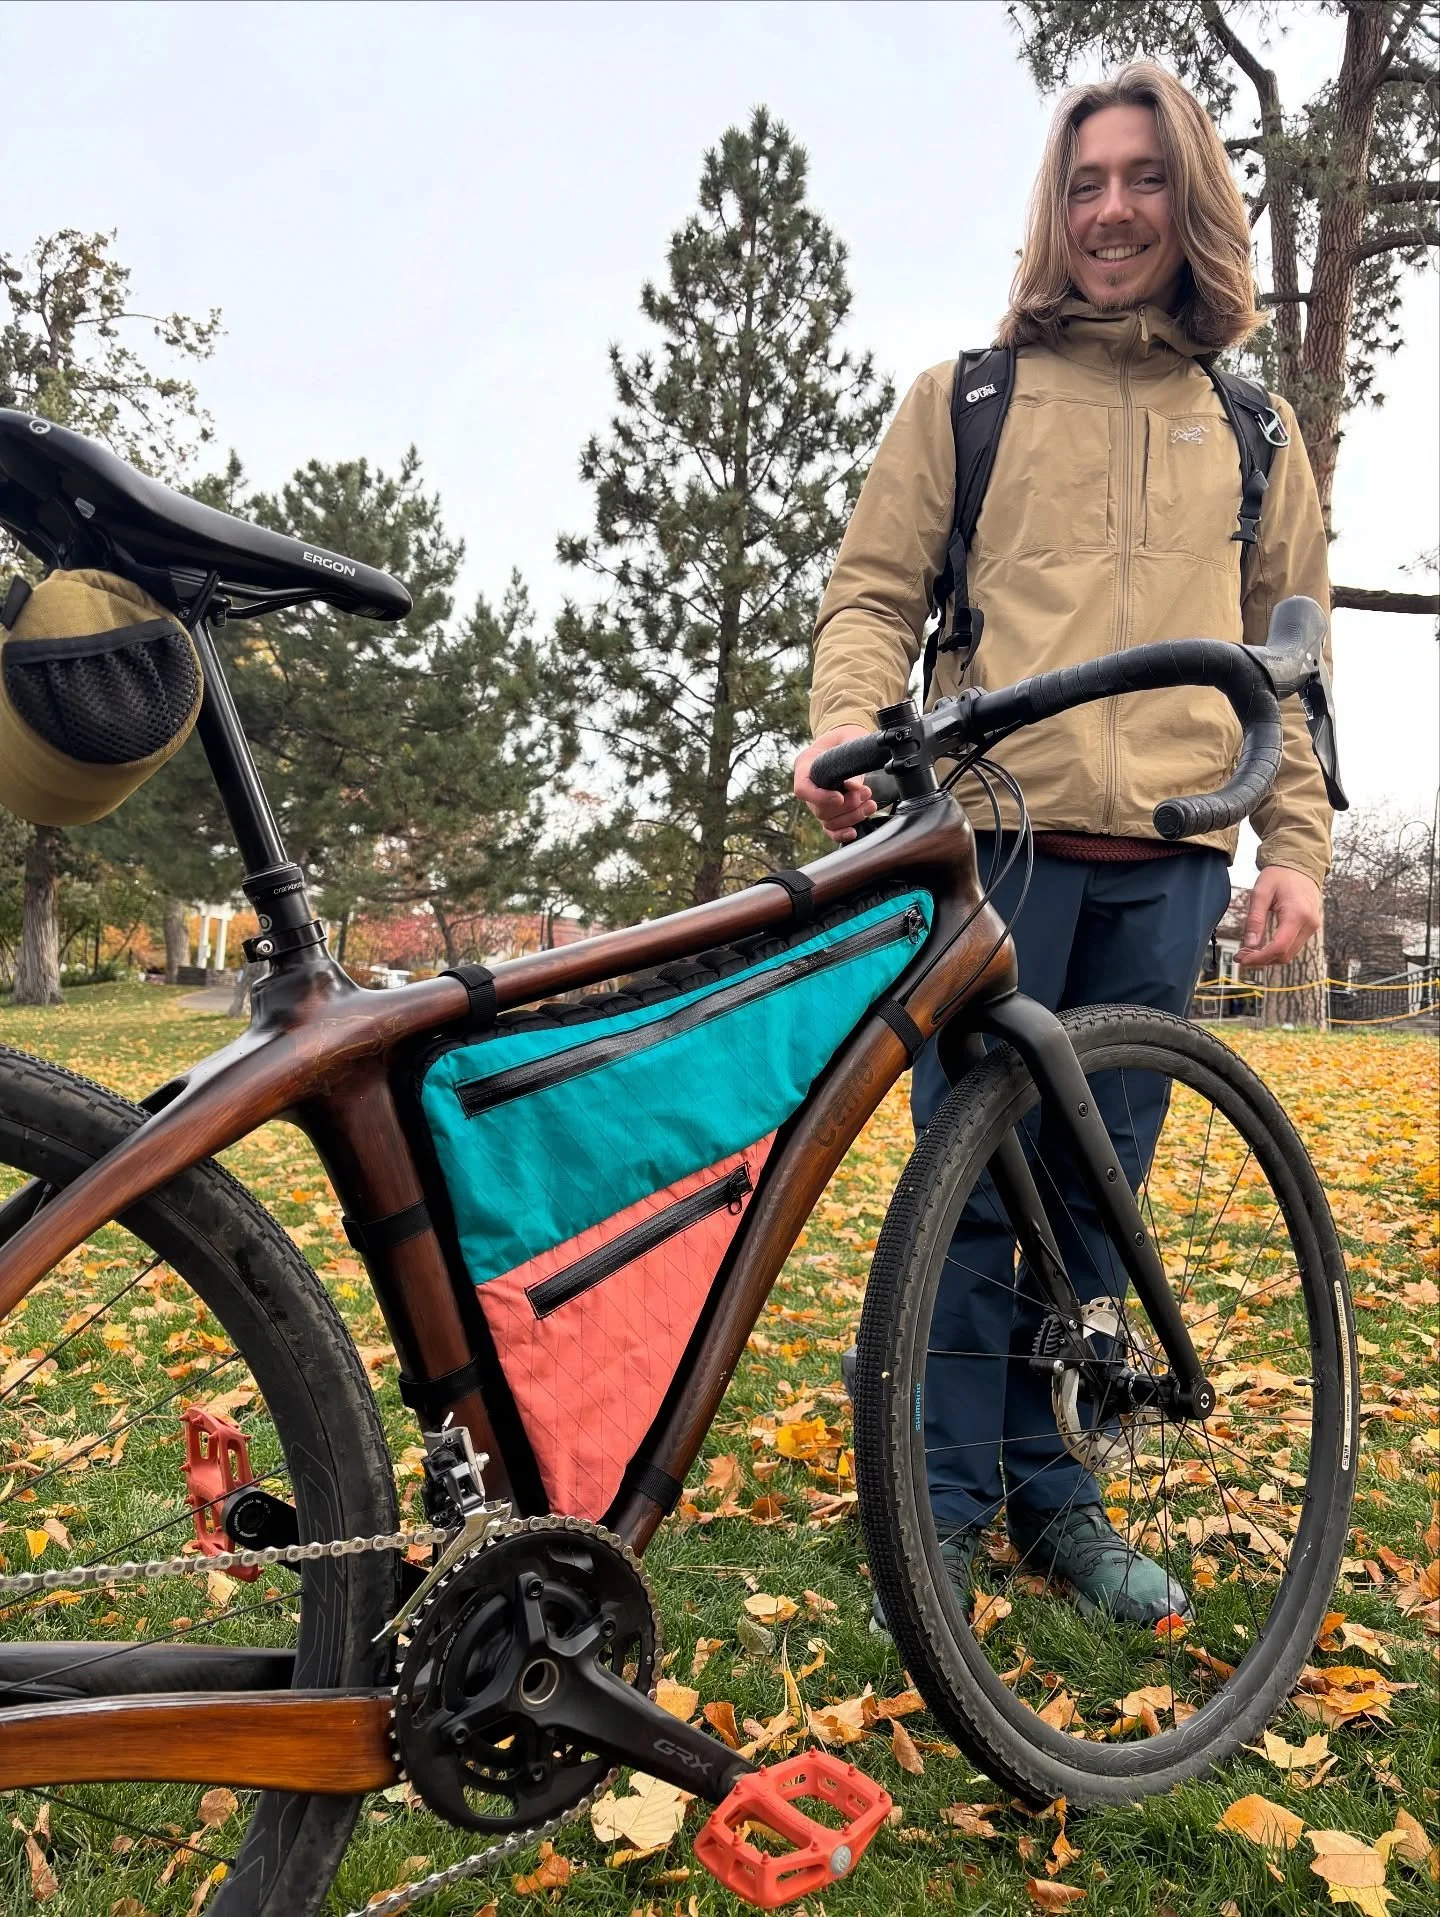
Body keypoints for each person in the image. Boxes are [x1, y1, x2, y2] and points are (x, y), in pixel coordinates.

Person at [798, 64, 1333, 1628]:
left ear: (1192, 206)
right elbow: (871, 597)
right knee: (972, 1192)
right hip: (996, 844)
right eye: (1087, 180)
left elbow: (1285, 656)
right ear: (1056, 204)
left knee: (1101, 1197)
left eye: (1146, 180)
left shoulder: (1253, 427)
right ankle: (942, 1511)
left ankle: (1055, 1492)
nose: (1113, 209)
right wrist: (845, 722)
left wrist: (1287, 842)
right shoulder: (962, 400)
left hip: (1172, 852)